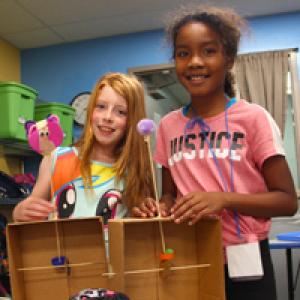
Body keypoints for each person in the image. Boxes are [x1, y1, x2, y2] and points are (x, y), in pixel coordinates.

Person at [132, 5, 298, 300]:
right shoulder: (169, 126)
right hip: (187, 252)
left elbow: (287, 201)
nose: (195, 62)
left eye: (208, 51)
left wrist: (222, 199)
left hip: (245, 257)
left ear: (229, 59)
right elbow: (169, 196)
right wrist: (159, 207)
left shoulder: (253, 118)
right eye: (183, 53)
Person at [13, 72, 153, 223]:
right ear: (90, 111)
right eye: (100, 106)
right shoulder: (55, 159)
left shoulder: (134, 170)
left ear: (132, 121)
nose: (107, 117)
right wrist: (19, 212)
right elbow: (31, 212)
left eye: (121, 112)